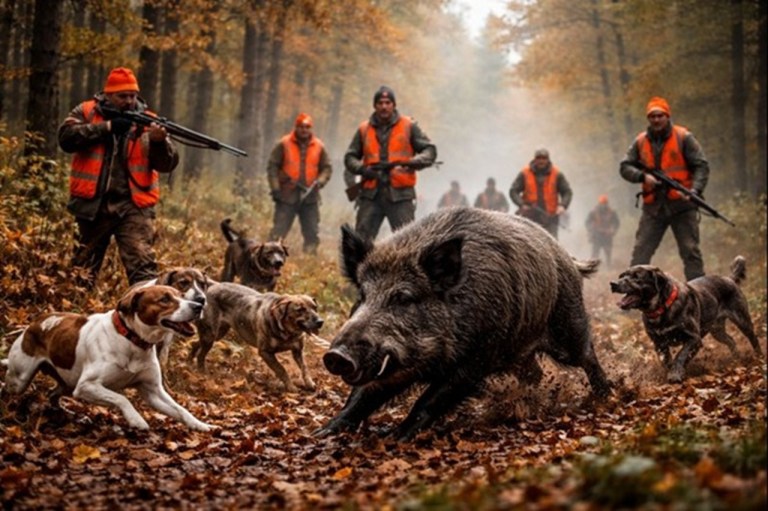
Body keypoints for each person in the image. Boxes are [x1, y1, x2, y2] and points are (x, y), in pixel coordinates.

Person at [58, 67, 179, 287]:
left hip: (133, 206)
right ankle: (78, 308)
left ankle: (146, 306)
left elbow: (167, 164)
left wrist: (159, 142)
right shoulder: (86, 111)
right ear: (108, 94)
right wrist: (108, 127)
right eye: (122, 96)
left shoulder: (149, 121)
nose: (129, 101)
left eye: (133, 96)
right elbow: (66, 138)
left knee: (143, 269)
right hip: (93, 205)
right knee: (82, 270)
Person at [620, 96, 709, 280]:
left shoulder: (684, 137)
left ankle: (698, 291)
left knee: (690, 251)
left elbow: (701, 166)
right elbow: (625, 166)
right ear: (648, 119)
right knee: (641, 251)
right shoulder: (640, 141)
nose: (656, 119)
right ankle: (633, 291)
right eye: (652, 116)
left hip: (682, 205)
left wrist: (695, 191)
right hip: (654, 207)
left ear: (667, 116)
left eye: (660, 115)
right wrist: (642, 176)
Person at [344, 85, 437, 241]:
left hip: (400, 195)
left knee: (407, 243)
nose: (384, 106)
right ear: (374, 105)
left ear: (394, 105)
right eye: (380, 103)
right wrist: (363, 170)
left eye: (388, 102)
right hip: (371, 195)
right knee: (361, 242)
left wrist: (413, 162)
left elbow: (430, 150)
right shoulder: (363, 129)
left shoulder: (409, 125)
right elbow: (349, 157)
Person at [267, 113, 332, 254]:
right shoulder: (284, 143)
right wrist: (275, 188)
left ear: (311, 128)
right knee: (279, 231)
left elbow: (327, 168)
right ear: (296, 127)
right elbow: (272, 166)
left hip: (310, 196)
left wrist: (320, 182)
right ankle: (270, 255)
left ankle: (309, 259)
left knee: (312, 233)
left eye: (307, 127)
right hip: (286, 195)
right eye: (301, 127)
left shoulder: (319, 146)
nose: (304, 130)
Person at [509, 148, 572, 239]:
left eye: (544, 158)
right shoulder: (525, 173)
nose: (541, 161)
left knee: (551, 243)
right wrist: (522, 204)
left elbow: (567, 192)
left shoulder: (557, 174)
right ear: (535, 159)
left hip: (550, 217)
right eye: (539, 158)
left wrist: (562, 206)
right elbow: (513, 191)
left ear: (548, 159)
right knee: (529, 241)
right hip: (530, 216)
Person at [585, 195, 620, 266]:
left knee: (608, 252)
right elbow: (587, 222)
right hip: (596, 235)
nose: (603, 206)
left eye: (605, 204)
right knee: (595, 253)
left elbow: (616, 223)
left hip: (607, 235)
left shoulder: (612, 212)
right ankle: (592, 266)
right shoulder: (593, 212)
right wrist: (591, 229)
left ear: (607, 204)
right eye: (602, 204)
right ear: (599, 204)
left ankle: (608, 267)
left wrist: (613, 230)